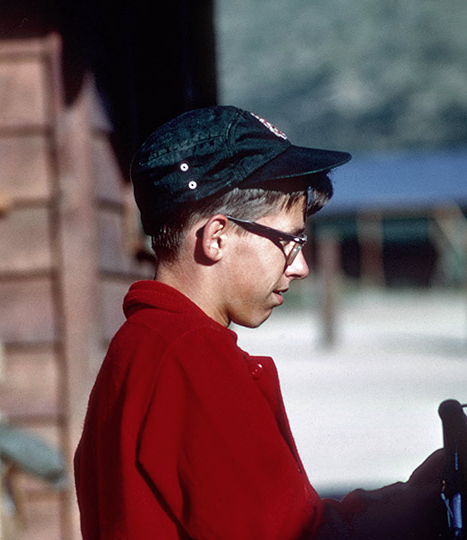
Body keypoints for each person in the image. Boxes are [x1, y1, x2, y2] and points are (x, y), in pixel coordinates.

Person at [74, 105, 446, 539]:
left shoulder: (142, 344)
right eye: (289, 240)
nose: (301, 266)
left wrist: (398, 504)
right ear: (217, 237)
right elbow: (288, 535)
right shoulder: (190, 357)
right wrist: (415, 514)